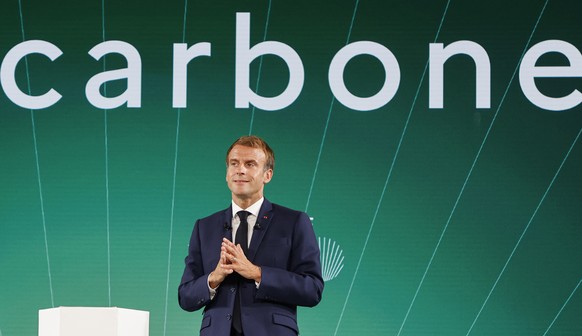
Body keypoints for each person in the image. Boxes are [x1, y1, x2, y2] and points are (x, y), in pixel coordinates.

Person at [178, 135, 324, 336]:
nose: (240, 170)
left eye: (250, 164)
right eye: (234, 163)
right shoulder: (204, 227)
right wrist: (215, 277)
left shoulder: (294, 222)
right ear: (227, 173)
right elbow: (185, 296)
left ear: (268, 175)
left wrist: (257, 273)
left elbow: (312, 289)